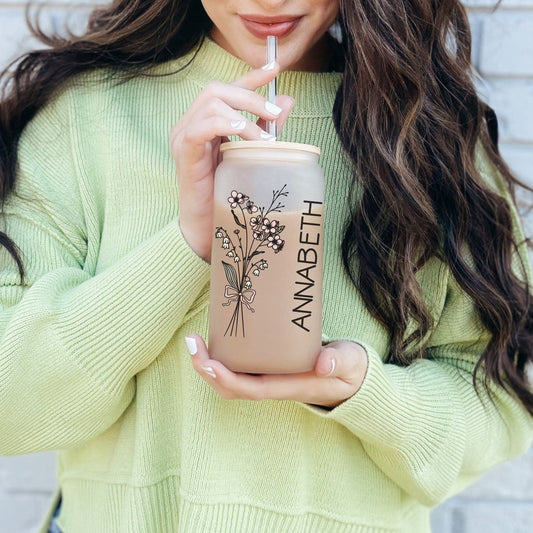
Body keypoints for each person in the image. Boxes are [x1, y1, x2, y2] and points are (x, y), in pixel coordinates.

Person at [0, 1, 532, 532]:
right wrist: (189, 241)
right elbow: (11, 409)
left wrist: (366, 391)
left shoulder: (430, 136)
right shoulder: (84, 116)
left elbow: (500, 405)